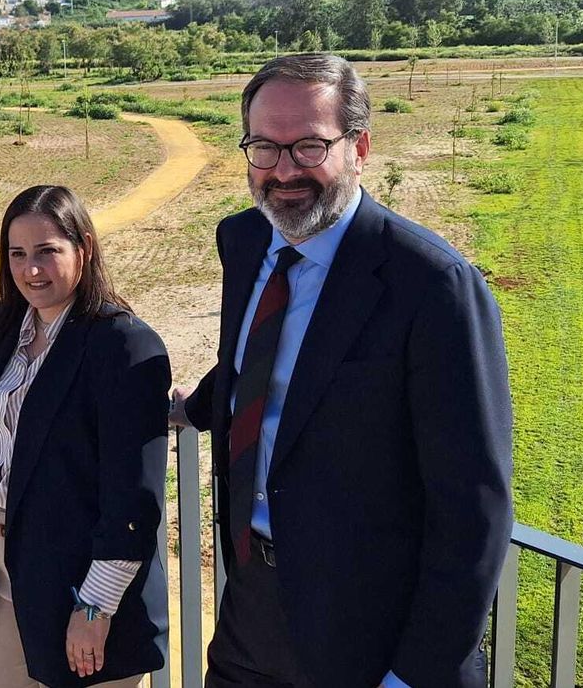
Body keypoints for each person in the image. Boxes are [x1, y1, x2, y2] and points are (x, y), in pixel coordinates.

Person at [171, 54, 513, 688]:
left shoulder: (431, 284)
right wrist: (190, 408)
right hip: (253, 603)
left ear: (359, 147)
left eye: (308, 146)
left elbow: (474, 508)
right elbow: (258, 363)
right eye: (263, 149)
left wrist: (412, 674)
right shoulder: (245, 240)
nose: (282, 171)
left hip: (370, 630)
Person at [0, 185, 170, 688]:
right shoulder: (0, 326)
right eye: (17, 254)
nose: (31, 270)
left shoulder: (123, 345)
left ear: (84, 248)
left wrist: (94, 607)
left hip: (83, 592)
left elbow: (133, 500)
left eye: (48, 251)